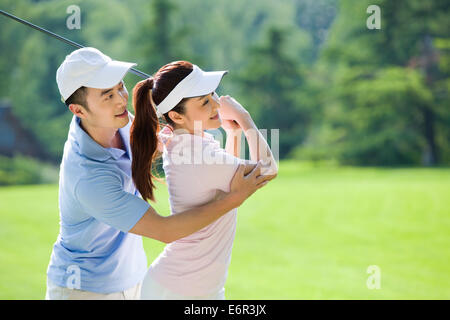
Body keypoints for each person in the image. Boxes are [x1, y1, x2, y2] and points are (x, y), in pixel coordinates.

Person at [45, 47, 273, 300]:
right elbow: (165, 231)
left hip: (134, 278)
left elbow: (164, 146)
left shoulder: (118, 122)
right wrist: (233, 199)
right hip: (84, 289)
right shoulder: (89, 177)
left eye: (120, 87)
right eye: (107, 95)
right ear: (79, 111)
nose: (121, 100)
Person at [131, 61, 278, 300]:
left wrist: (233, 133)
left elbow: (229, 178)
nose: (216, 104)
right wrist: (244, 117)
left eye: (212, 95)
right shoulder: (195, 153)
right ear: (177, 116)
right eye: (204, 102)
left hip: (190, 287)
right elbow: (267, 170)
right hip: (179, 290)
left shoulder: (188, 143)